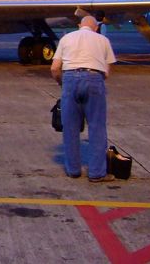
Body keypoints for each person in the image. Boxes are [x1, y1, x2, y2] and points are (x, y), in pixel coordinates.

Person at [50, 16, 117, 182]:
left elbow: (55, 68)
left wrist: (62, 83)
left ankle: (73, 170)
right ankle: (96, 173)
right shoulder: (103, 40)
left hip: (70, 79)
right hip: (94, 78)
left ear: (79, 25)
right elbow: (107, 72)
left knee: (70, 127)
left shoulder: (66, 38)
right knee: (97, 127)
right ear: (96, 27)